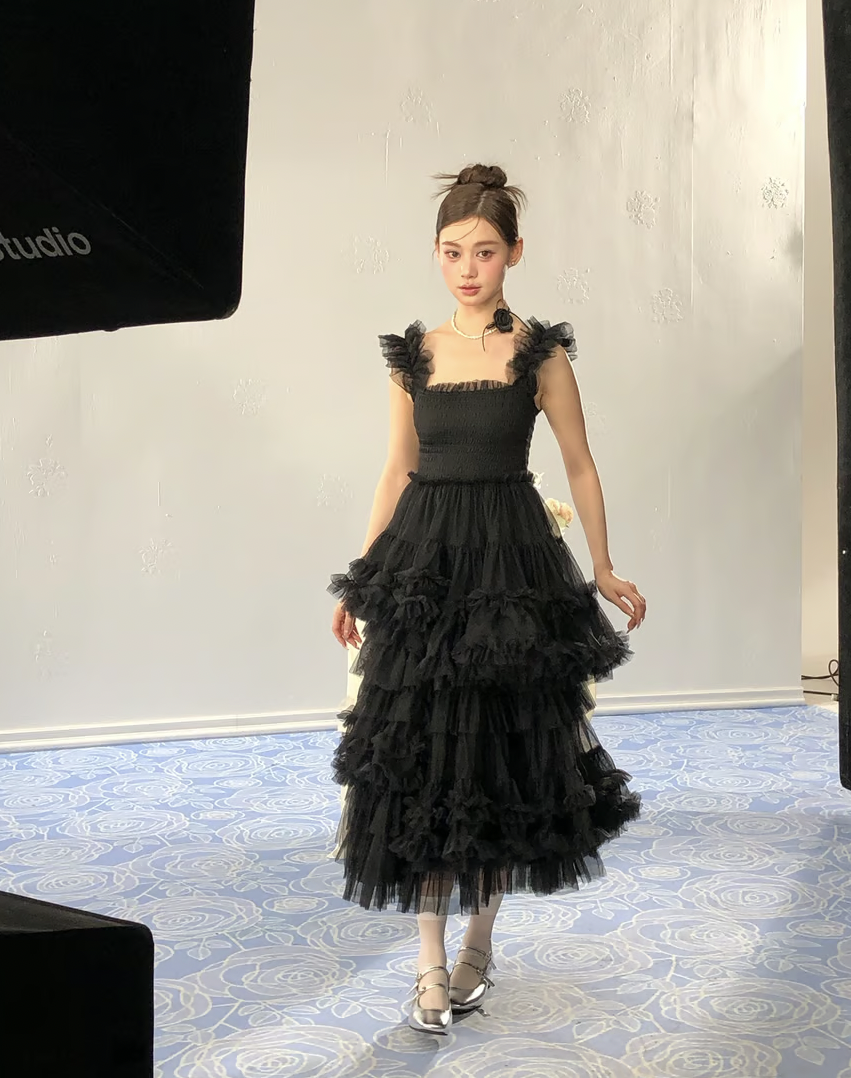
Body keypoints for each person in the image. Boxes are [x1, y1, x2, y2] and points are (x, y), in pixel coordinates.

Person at [328, 163, 645, 1036]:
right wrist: (364, 575)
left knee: (504, 755)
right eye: (451, 251)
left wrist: (603, 566)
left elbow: (580, 464)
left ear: (515, 254)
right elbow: (397, 469)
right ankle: (428, 962)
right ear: (435, 254)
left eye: (485, 251)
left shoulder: (539, 353)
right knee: (423, 756)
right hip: (427, 564)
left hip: (511, 565)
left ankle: (479, 942)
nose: (467, 268)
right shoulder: (415, 354)